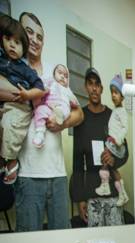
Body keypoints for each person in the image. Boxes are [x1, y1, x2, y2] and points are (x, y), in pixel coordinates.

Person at [12, 12, 84, 231]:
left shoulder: (55, 75)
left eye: (39, 36)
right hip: (28, 176)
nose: (34, 39)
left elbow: (80, 113)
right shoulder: (13, 72)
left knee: (61, 241)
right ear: (19, 35)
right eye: (29, 32)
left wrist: (63, 123)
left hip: (58, 175)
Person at [70, 68, 128, 226]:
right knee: (95, 242)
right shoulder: (80, 118)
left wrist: (114, 159)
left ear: (102, 89)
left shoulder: (113, 115)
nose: (94, 88)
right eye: (90, 84)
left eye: (97, 84)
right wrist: (80, 198)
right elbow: (77, 163)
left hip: (113, 192)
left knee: (116, 239)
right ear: (86, 87)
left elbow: (125, 153)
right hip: (91, 193)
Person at [0, 15, 45, 184]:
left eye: (17, 42)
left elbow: (40, 88)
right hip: (6, 104)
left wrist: (27, 95)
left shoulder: (24, 69)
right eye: (8, 39)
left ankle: (10, 160)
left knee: (10, 124)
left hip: (21, 106)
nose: (12, 44)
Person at [95, 74, 128, 207]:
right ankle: (116, 191)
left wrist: (117, 140)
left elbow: (125, 128)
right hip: (111, 143)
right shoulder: (116, 110)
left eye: (117, 92)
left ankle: (117, 192)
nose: (114, 95)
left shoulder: (122, 112)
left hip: (116, 144)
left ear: (123, 96)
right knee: (110, 167)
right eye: (112, 93)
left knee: (108, 165)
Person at [32, 64, 79, 147]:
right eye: (60, 73)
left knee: (65, 110)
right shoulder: (51, 83)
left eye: (66, 76)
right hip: (49, 106)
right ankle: (40, 133)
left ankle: (60, 116)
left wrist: (73, 102)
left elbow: (74, 101)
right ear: (54, 74)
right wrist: (44, 90)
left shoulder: (67, 89)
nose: (62, 77)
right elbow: (42, 90)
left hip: (61, 106)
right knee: (40, 110)